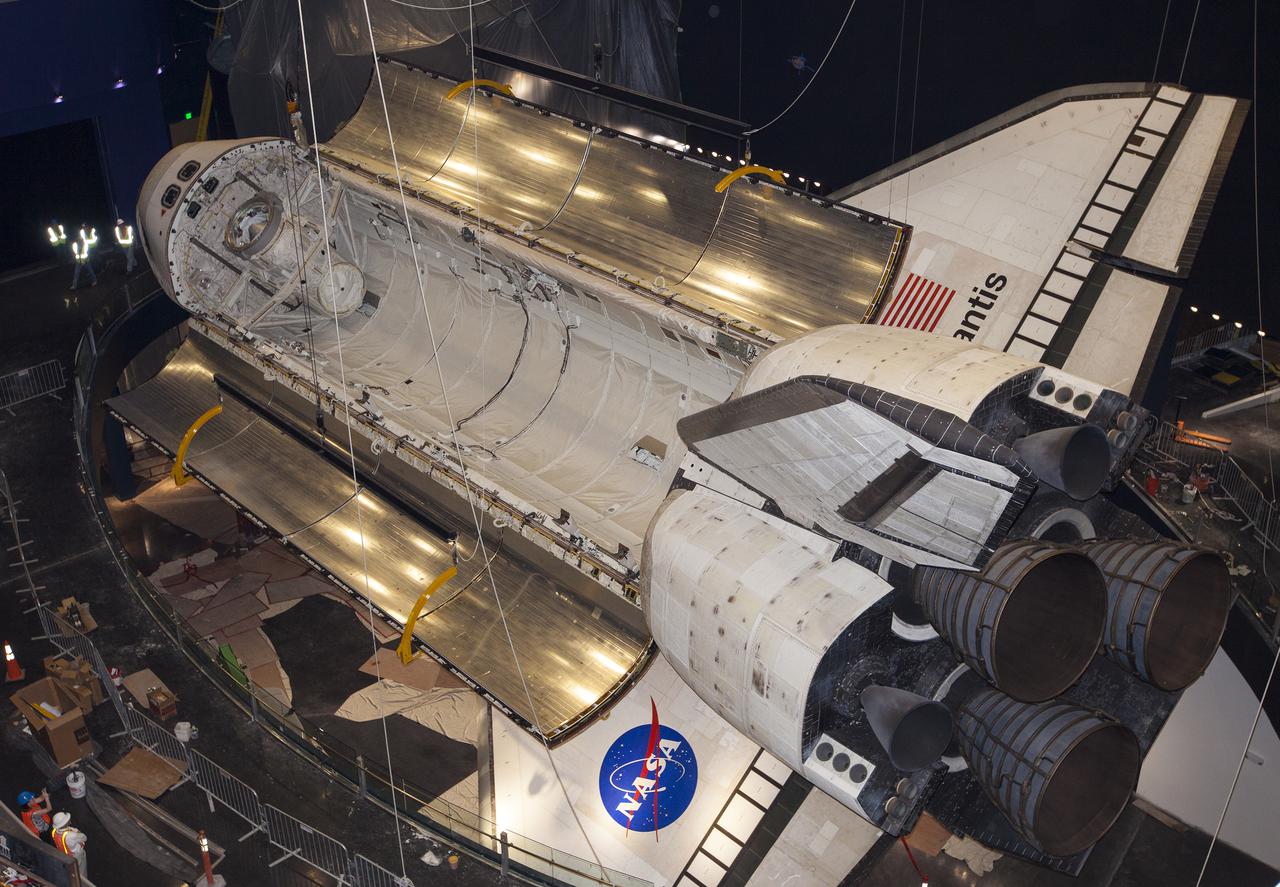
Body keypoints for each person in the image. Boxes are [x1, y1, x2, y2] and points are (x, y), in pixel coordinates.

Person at [50, 812, 87, 878]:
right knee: (81, 869)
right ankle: (83, 881)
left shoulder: (54, 831)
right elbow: (84, 838)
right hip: (76, 855)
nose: (69, 820)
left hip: (64, 853)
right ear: (64, 824)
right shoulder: (71, 835)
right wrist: (76, 832)